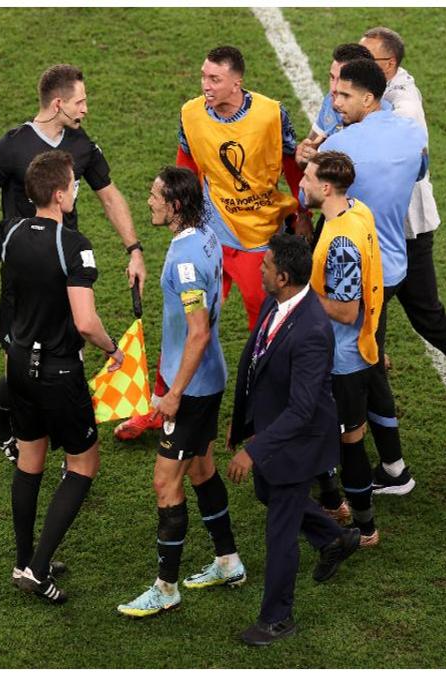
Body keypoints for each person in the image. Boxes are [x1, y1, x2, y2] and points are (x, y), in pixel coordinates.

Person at [115, 45, 304, 441]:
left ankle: (257, 417)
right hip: (210, 240)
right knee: (183, 322)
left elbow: (291, 164)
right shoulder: (191, 113)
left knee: (264, 337)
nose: (206, 85)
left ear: (238, 82)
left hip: (258, 243)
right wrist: (179, 218)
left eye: (214, 79)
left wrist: (303, 213)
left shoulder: (271, 113)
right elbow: (186, 168)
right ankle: (158, 404)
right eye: (203, 77)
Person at [0, 63, 144, 463]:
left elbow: (110, 197)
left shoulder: (81, 145)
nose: (85, 109)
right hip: (21, 279)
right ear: (58, 103)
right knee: (18, 365)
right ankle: (5, 419)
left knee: (67, 360)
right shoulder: (11, 147)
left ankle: (72, 451)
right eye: (80, 101)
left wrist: (135, 249)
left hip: (65, 268)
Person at [0, 150, 124, 603]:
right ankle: (37, 569)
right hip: (58, 370)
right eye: (72, 184)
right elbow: (86, 322)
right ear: (57, 194)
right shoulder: (73, 244)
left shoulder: (10, 230)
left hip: (17, 367)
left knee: (30, 462)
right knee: (83, 464)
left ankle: (23, 559)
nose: (76, 190)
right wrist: (114, 350)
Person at [116, 167, 245, 617]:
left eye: (155, 196)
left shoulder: (185, 261)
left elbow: (197, 334)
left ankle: (165, 588)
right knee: (201, 469)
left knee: (164, 482)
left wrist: (173, 393)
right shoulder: (206, 230)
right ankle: (228, 561)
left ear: (174, 206)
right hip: (208, 379)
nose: (148, 201)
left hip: (191, 389)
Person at [227, 233, 361, 646]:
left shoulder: (311, 330)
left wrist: (255, 449)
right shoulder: (280, 302)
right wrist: (246, 425)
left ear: (282, 276)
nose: (259, 270)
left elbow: (302, 410)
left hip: (296, 443)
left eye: (265, 266)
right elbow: (258, 359)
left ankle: (277, 619)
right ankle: (335, 537)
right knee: (269, 494)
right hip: (273, 430)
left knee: (279, 533)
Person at [317, 58, 428, 496]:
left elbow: (319, 196)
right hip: (396, 268)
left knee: (357, 370)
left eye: (344, 95)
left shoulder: (344, 148)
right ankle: (392, 466)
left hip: (357, 275)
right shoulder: (413, 133)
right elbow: (418, 172)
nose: (335, 101)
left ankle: (383, 470)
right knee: (372, 360)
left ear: (368, 98)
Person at [361, 26, 446, 381]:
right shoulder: (375, 90)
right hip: (390, 224)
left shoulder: (404, 104)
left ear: (389, 63)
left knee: (414, 315)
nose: (357, 63)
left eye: (366, 58)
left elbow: (398, 156)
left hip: (404, 228)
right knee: (379, 313)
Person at [300, 151, 385, 544]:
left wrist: (300, 296)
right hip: (352, 353)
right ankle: (335, 503)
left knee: (347, 438)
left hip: (342, 360)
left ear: (326, 187)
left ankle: (363, 527)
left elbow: (346, 311)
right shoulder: (356, 211)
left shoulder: (342, 243)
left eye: (307, 177)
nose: (301, 182)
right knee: (333, 432)